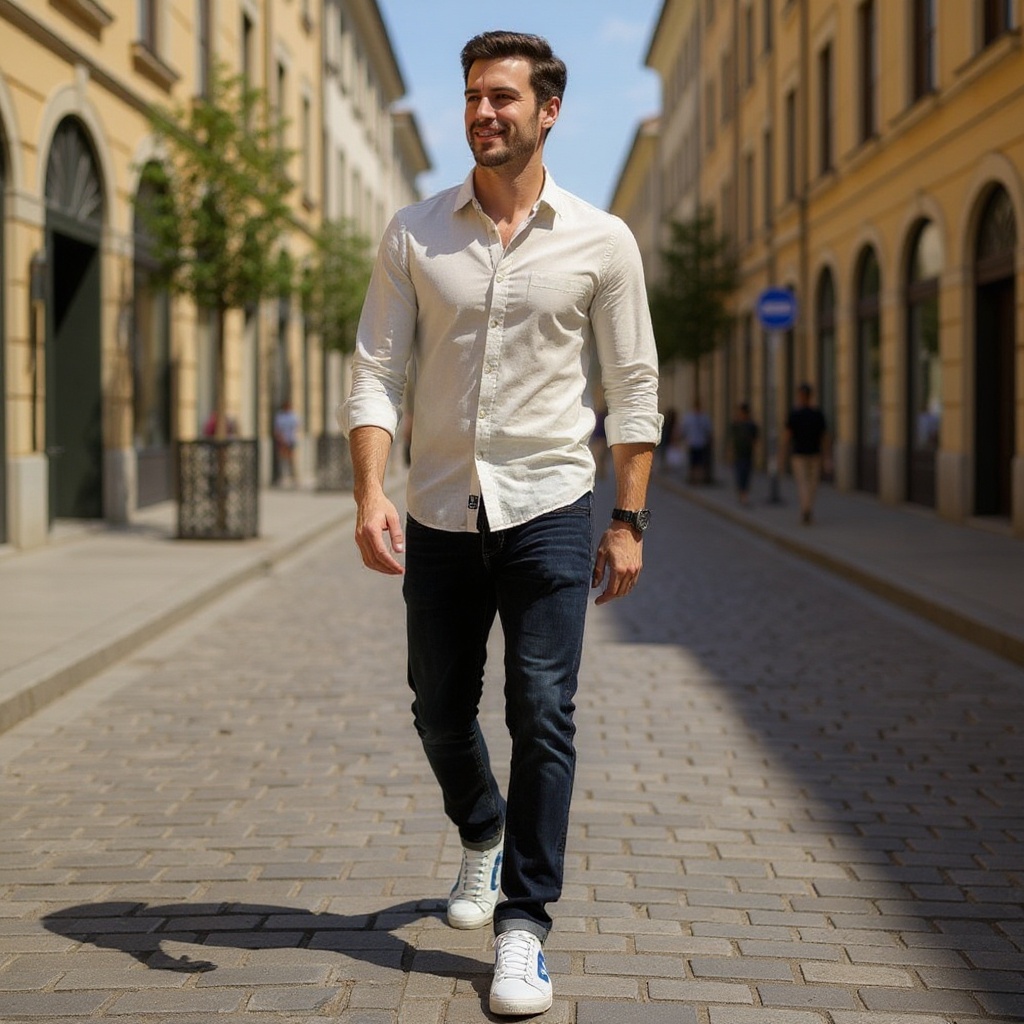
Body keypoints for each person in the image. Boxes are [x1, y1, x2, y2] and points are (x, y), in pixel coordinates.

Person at [339, 30, 662, 1017]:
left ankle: (525, 923)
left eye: (503, 98)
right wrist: (369, 490)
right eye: (473, 95)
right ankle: (481, 830)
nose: (484, 112)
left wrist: (628, 519)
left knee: (542, 710)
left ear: (546, 110)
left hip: (553, 506)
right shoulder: (413, 233)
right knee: (438, 705)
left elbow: (634, 386)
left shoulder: (602, 240)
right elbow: (374, 371)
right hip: (437, 507)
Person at [784, 382, 829, 524]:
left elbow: (787, 435)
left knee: (805, 484)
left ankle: (806, 510)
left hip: (801, 454)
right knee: (812, 485)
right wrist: (827, 456)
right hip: (812, 454)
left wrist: (782, 454)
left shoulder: (796, 414)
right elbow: (825, 437)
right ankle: (807, 510)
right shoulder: (817, 414)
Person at [728, 401, 759, 506]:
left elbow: (755, 440)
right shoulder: (736, 425)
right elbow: (732, 440)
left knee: (745, 475)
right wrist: (731, 452)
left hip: (747, 454)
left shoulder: (751, 425)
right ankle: (742, 495)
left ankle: (744, 495)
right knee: (739, 475)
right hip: (738, 454)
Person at [681, 399, 712, 484]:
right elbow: (684, 429)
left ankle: (698, 479)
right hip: (692, 443)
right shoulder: (689, 417)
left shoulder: (704, 417)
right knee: (693, 463)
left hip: (701, 443)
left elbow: (708, 430)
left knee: (700, 463)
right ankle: (693, 479)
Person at [273, 400, 300, 487]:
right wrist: (281, 439)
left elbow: (297, 427)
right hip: (283, 441)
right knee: (283, 459)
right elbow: (278, 430)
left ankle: (293, 477)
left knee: (291, 460)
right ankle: (284, 477)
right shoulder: (281, 416)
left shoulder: (292, 415)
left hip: (291, 440)